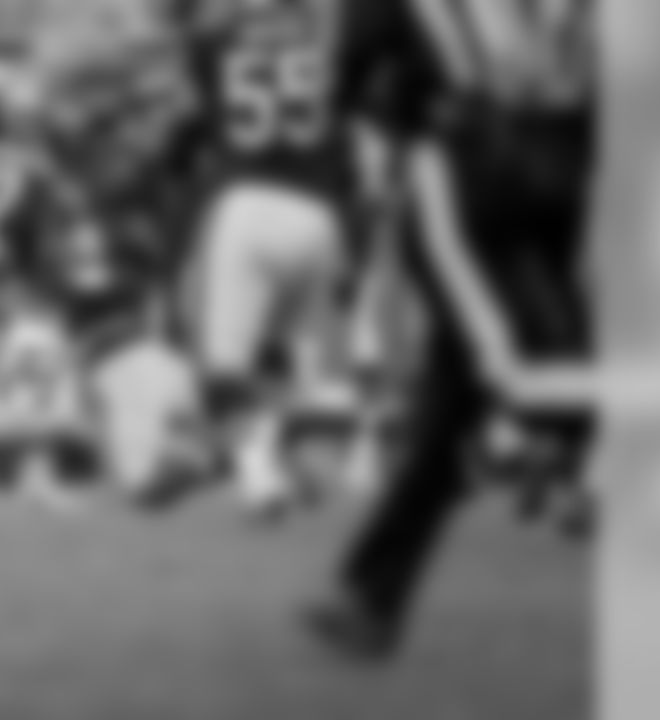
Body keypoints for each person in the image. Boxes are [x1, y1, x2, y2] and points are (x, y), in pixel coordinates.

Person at [304, 0, 600, 660]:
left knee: (494, 383)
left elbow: (350, 75)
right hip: (530, 169)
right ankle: (370, 597)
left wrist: (386, 118)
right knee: (473, 390)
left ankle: (371, 597)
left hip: (486, 173)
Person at [162, 0, 357, 519]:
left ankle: (258, 477)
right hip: (320, 208)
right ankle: (324, 469)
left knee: (224, 367)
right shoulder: (327, 34)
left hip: (245, 199)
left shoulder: (214, 35)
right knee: (317, 368)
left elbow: (188, 128)